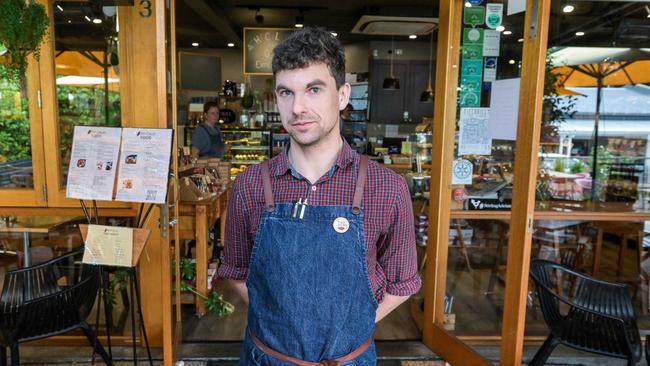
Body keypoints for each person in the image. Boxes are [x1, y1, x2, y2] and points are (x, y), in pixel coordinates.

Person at [219, 27, 421, 365]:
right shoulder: (251, 185)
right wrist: (280, 325)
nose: (297, 107)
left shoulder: (386, 188)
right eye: (286, 92)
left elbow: (403, 283)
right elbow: (236, 270)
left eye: (314, 89)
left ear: (342, 96)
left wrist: (349, 328)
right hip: (266, 359)